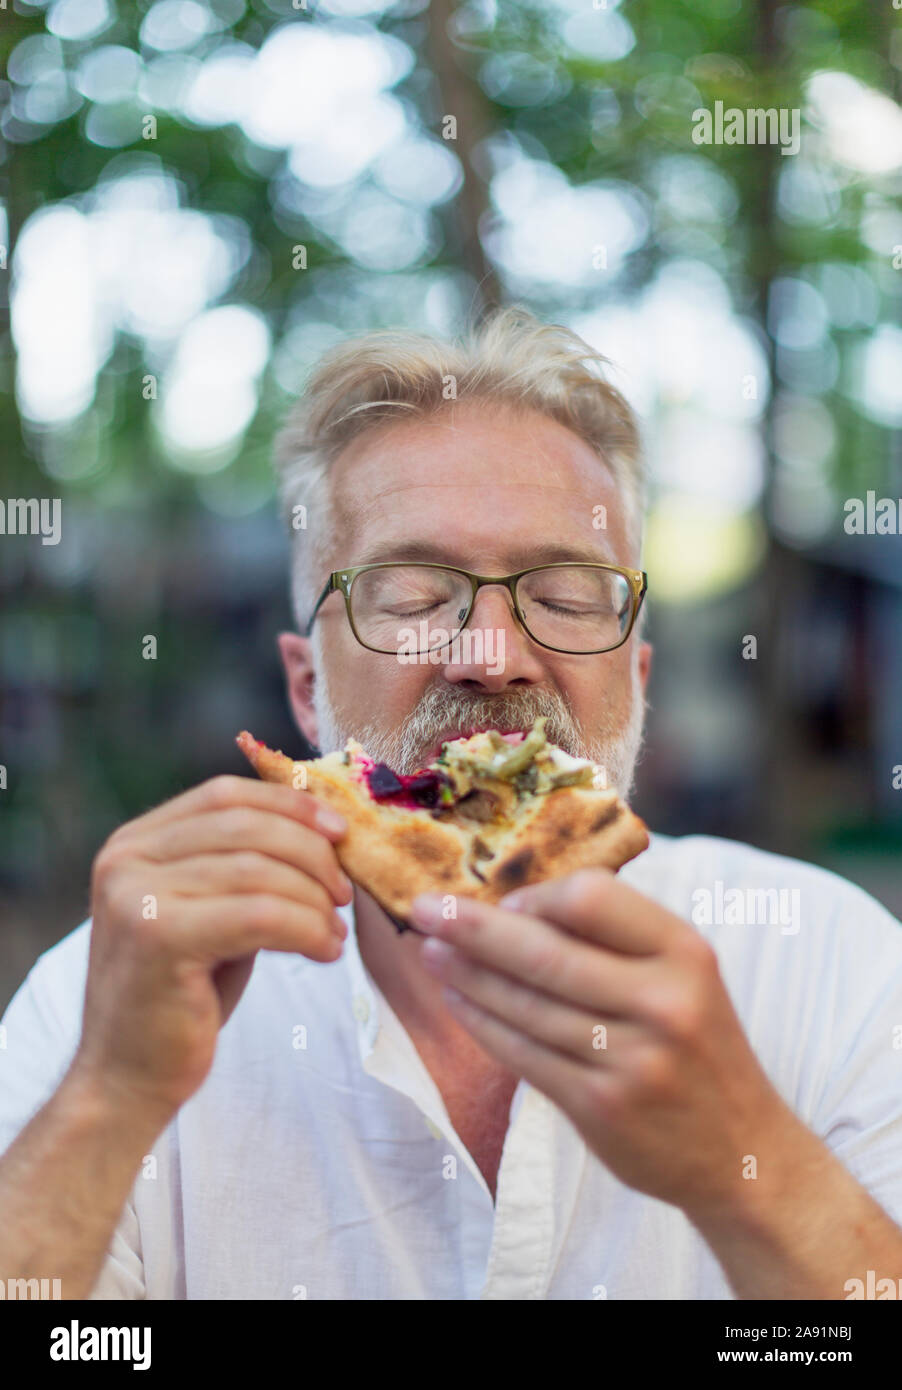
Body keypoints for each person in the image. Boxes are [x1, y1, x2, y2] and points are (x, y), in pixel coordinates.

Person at [1, 307, 901, 1300]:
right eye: (411, 595)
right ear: (306, 690)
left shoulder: (836, 970)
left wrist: (748, 1166)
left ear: (635, 681)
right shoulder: (110, 990)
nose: (488, 656)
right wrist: (109, 1099)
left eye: (561, 597)